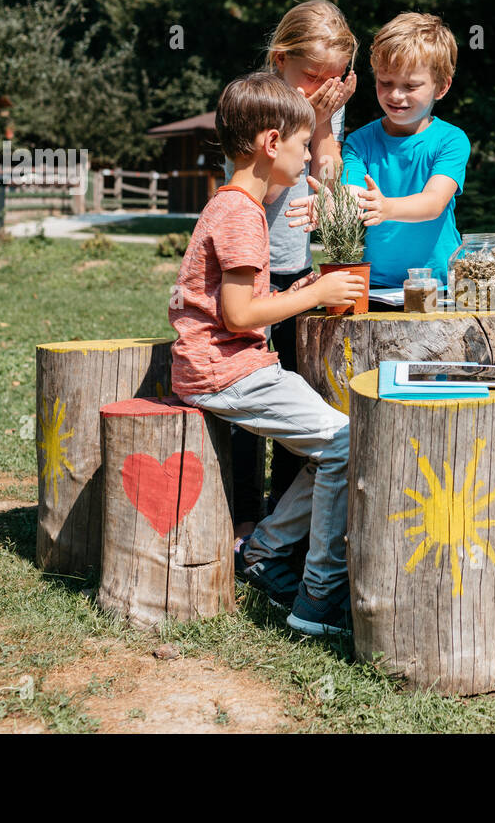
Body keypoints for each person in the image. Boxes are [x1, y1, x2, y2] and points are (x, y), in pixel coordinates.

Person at [169, 71, 365, 636]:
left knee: (336, 443)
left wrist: (297, 293)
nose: (308, 160)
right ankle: (317, 594)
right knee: (348, 444)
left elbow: (244, 300)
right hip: (225, 371)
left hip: (227, 366)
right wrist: (321, 293)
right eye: (304, 145)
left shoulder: (233, 206)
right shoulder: (241, 213)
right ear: (271, 143)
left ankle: (265, 551)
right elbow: (236, 315)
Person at [224, 0, 358, 556]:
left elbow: (327, 174)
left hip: (298, 270)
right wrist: (309, 120)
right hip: (251, 273)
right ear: (280, 60)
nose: (321, 87)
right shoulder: (258, 106)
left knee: (295, 389)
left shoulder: (321, 108)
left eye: (332, 79)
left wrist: (324, 124)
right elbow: (267, 187)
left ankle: (285, 519)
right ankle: (241, 517)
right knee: (246, 401)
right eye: (310, 77)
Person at [293, 12, 470, 289]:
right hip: (374, 284)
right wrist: (332, 207)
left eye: (410, 86)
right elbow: (353, 193)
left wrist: (386, 207)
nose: (396, 95)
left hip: (438, 284)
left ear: (442, 87)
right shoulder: (360, 142)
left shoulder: (451, 140)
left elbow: (433, 203)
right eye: (385, 83)